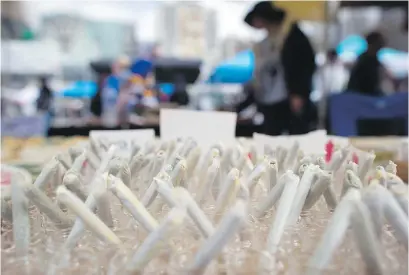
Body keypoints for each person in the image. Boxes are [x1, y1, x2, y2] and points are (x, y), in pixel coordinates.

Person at [239, 1, 317, 135]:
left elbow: (304, 66)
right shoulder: (265, 43)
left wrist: (298, 92)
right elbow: (259, 76)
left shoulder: (293, 38)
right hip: (268, 101)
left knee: (294, 137)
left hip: (287, 99)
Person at [347, 31, 386, 96]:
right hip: (362, 97)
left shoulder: (374, 60)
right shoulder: (364, 60)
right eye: (379, 43)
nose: (381, 45)